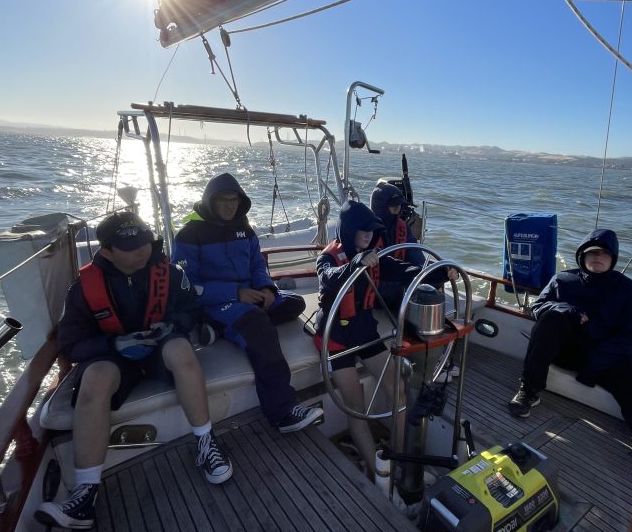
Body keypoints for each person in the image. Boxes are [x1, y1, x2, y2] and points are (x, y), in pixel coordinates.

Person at [36, 212, 231, 530]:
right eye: (132, 246)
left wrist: (172, 325)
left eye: (145, 242)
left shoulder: (165, 271)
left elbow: (189, 312)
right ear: (108, 250)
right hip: (115, 358)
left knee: (181, 348)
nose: (143, 251)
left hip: (159, 351)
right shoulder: (84, 288)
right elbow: (71, 345)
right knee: (95, 377)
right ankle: (85, 494)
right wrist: (117, 344)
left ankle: (207, 445)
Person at [172, 173, 323, 434]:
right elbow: (187, 287)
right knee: (258, 326)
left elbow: (256, 264)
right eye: (223, 200)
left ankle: (218, 329)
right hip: (214, 302)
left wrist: (265, 288)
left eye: (234, 199)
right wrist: (235, 293)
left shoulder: (245, 228)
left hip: (246, 295)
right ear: (210, 201)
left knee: (293, 304)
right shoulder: (189, 234)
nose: (230, 205)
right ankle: (283, 412)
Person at [315, 201, 457, 478]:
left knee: (400, 391)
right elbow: (329, 279)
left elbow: (408, 272)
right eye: (362, 230)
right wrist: (355, 263)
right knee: (356, 408)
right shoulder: (328, 258)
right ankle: (379, 473)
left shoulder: (377, 257)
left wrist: (440, 272)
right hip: (336, 340)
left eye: (372, 230)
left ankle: (400, 456)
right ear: (349, 229)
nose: (368, 235)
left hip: (365, 333)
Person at [507, 228, 632, 465]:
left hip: (606, 356)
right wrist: (564, 309)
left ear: (613, 258)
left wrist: (596, 360)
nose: (597, 256)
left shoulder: (629, 290)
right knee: (551, 318)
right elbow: (537, 307)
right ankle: (529, 391)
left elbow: (630, 337)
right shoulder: (563, 280)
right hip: (565, 350)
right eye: (592, 252)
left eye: (604, 253)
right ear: (582, 256)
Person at [370, 183, 426, 310]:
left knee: (433, 282)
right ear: (381, 207)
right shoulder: (365, 230)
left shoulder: (402, 228)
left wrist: (442, 272)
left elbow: (417, 258)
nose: (398, 208)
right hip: (370, 297)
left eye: (399, 205)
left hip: (399, 295)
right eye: (393, 205)